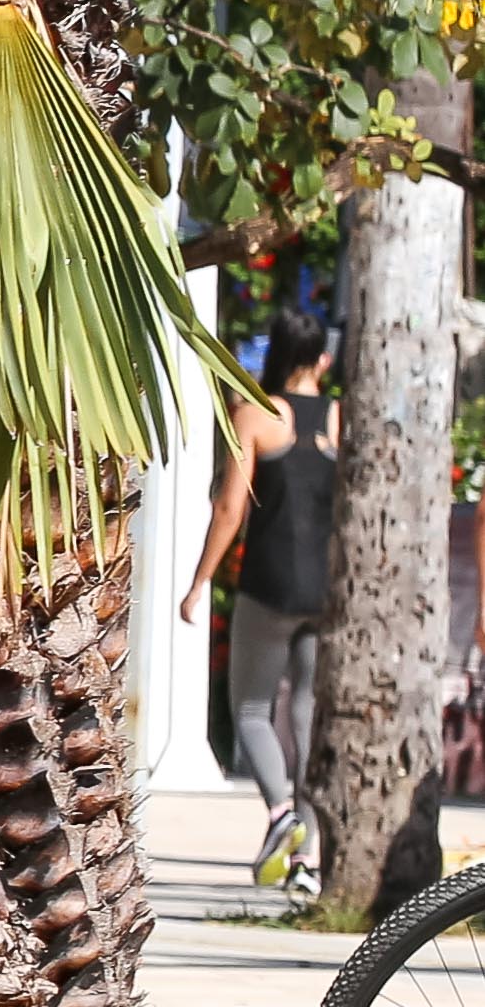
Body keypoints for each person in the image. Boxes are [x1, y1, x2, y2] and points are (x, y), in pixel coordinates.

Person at [204, 313, 339, 885]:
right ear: (323, 361)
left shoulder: (255, 416)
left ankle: (281, 814)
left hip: (268, 583)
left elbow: (231, 508)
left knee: (253, 710)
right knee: (308, 714)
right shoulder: (343, 419)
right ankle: (306, 861)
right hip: (327, 589)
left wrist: (199, 581)